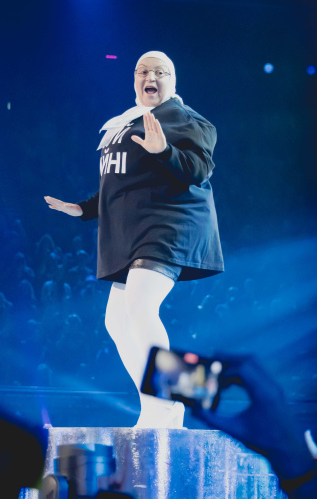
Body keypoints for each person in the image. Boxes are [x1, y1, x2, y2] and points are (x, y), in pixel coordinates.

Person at [45, 51, 223, 427]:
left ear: (173, 81)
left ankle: (176, 398)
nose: (151, 76)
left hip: (170, 225)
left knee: (141, 306)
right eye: (144, 70)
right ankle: (161, 402)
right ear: (135, 79)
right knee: (116, 321)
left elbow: (199, 167)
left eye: (160, 71)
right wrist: (83, 209)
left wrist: (165, 151)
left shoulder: (187, 120)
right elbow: (120, 183)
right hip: (132, 231)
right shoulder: (124, 124)